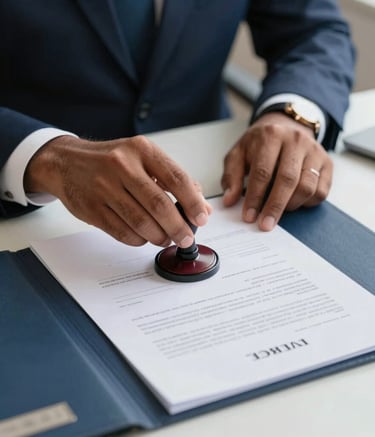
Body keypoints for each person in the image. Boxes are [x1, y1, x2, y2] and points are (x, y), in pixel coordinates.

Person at [0, 1, 355, 249]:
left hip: (221, 189)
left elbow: (314, 29)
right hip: (34, 218)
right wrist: (46, 158)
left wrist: (293, 112)